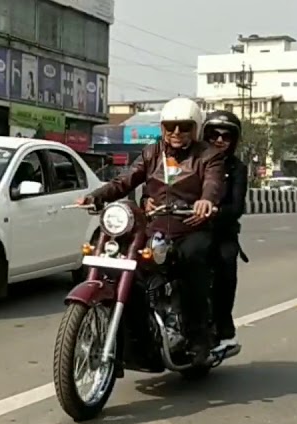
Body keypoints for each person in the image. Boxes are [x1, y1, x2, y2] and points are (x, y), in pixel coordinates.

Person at [76, 97, 224, 364]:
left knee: (192, 263)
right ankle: (134, 334)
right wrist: (96, 196)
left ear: (196, 128)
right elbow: (125, 180)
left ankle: (198, 338)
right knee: (120, 262)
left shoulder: (208, 156)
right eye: (170, 127)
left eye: (184, 126)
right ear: (162, 128)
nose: (176, 133)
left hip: (190, 228)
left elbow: (212, 184)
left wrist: (206, 201)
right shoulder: (152, 152)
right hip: (154, 227)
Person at [201, 109, 248, 355]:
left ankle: (223, 327)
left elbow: (236, 207)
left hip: (220, 231)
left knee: (225, 263)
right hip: (184, 227)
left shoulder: (237, 169)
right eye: (213, 134)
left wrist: (212, 212)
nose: (219, 140)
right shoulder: (191, 161)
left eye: (225, 136)